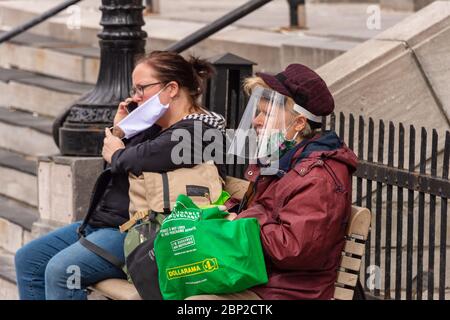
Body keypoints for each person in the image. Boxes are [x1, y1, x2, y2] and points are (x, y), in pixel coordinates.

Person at [15, 51, 226, 300]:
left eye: (141, 88)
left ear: (171, 88)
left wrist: (120, 147)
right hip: (109, 223)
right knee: (28, 259)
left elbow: (134, 158)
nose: (135, 97)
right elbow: (114, 160)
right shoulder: (155, 125)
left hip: (147, 232)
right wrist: (123, 130)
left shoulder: (199, 131)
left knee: (62, 271)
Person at [187, 64, 358, 300]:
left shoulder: (318, 178)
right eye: (258, 112)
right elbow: (266, 210)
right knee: (170, 268)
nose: (256, 121)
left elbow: (293, 250)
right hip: (256, 276)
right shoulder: (282, 158)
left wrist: (247, 218)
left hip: (287, 290)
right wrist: (224, 212)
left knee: (195, 301)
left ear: (298, 123)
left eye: (266, 114)